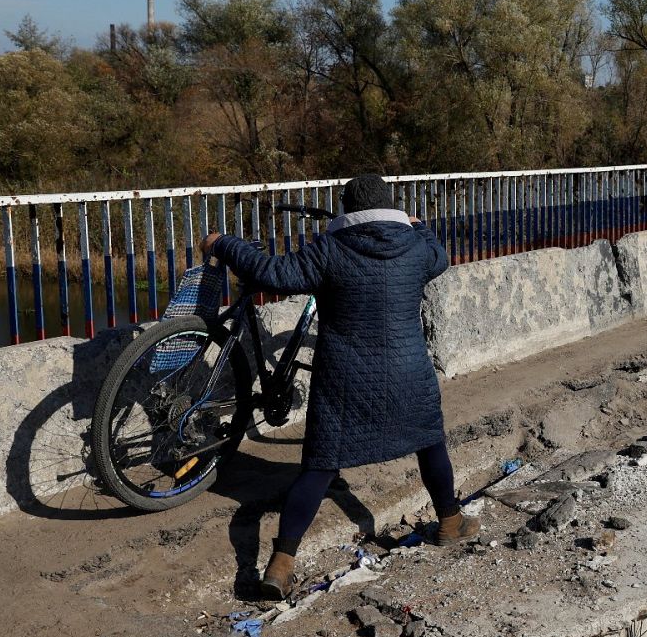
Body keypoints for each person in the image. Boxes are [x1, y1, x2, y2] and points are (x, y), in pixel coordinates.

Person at [200, 175, 478, 601]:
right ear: (391, 207)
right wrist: (418, 225)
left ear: (347, 211)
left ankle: (280, 564)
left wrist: (224, 244)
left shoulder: (331, 249)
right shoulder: (418, 248)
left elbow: (273, 272)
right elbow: (440, 257)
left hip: (346, 379)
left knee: (320, 467)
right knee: (429, 443)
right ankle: (450, 522)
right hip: (409, 374)